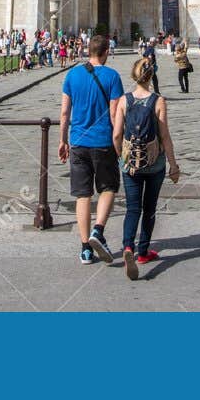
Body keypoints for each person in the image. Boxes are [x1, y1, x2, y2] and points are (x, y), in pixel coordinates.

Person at [59, 32, 125, 265]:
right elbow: (115, 113)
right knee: (108, 188)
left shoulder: (72, 74)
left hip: (77, 142)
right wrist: (119, 143)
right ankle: (98, 230)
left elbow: (65, 112)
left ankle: (85, 247)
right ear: (106, 51)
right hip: (103, 142)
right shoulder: (112, 76)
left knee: (82, 195)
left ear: (88, 50)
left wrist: (62, 140)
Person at [119, 57, 181, 280]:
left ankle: (128, 247)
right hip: (154, 163)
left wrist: (121, 156)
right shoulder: (158, 100)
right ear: (151, 76)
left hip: (130, 164)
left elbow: (117, 134)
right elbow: (165, 136)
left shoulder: (123, 101)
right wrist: (173, 164)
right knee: (149, 209)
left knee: (132, 208)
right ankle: (143, 251)